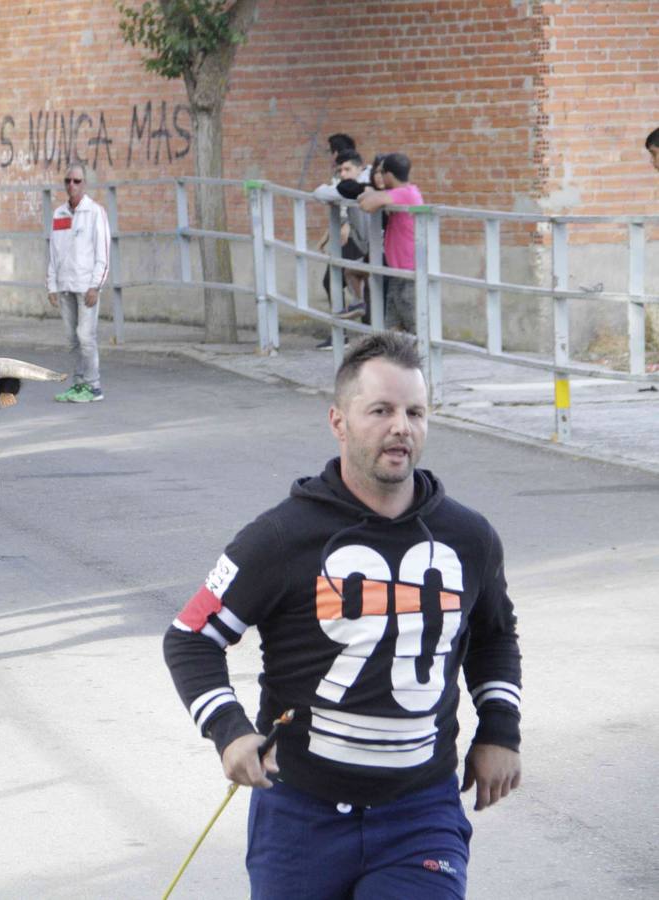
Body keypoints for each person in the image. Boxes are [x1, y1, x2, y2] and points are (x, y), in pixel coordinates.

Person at [164, 331, 522, 900]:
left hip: (419, 814)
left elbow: (494, 638)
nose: (400, 426)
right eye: (380, 410)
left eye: (415, 412)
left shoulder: (469, 538)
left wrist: (501, 731)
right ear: (338, 421)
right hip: (299, 816)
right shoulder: (281, 536)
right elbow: (190, 636)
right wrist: (230, 733)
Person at [46, 164, 109, 403]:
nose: (72, 185)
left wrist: (95, 286)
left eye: (77, 181)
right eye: (68, 180)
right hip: (65, 286)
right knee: (72, 339)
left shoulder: (95, 213)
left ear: (85, 184)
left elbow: (103, 254)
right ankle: (79, 383)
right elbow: (53, 252)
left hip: (86, 287)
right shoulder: (59, 214)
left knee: (86, 337)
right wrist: (52, 285)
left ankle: (93, 386)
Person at [314, 148, 373, 346]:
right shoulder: (348, 185)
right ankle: (356, 334)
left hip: (373, 244)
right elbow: (324, 194)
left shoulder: (369, 181)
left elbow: (324, 193)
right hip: (363, 243)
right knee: (350, 280)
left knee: (375, 288)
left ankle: (366, 337)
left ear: (359, 167)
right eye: (340, 170)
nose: (342, 174)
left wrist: (346, 222)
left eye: (347, 169)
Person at [360, 153, 423, 333]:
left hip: (409, 271)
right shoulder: (403, 192)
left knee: (415, 326)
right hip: (398, 271)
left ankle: (425, 361)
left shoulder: (404, 193)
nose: (378, 176)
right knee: (392, 328)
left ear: (389, 174)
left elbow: (366, 205)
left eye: (381, 172)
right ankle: (396, 360)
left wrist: (371, 193)